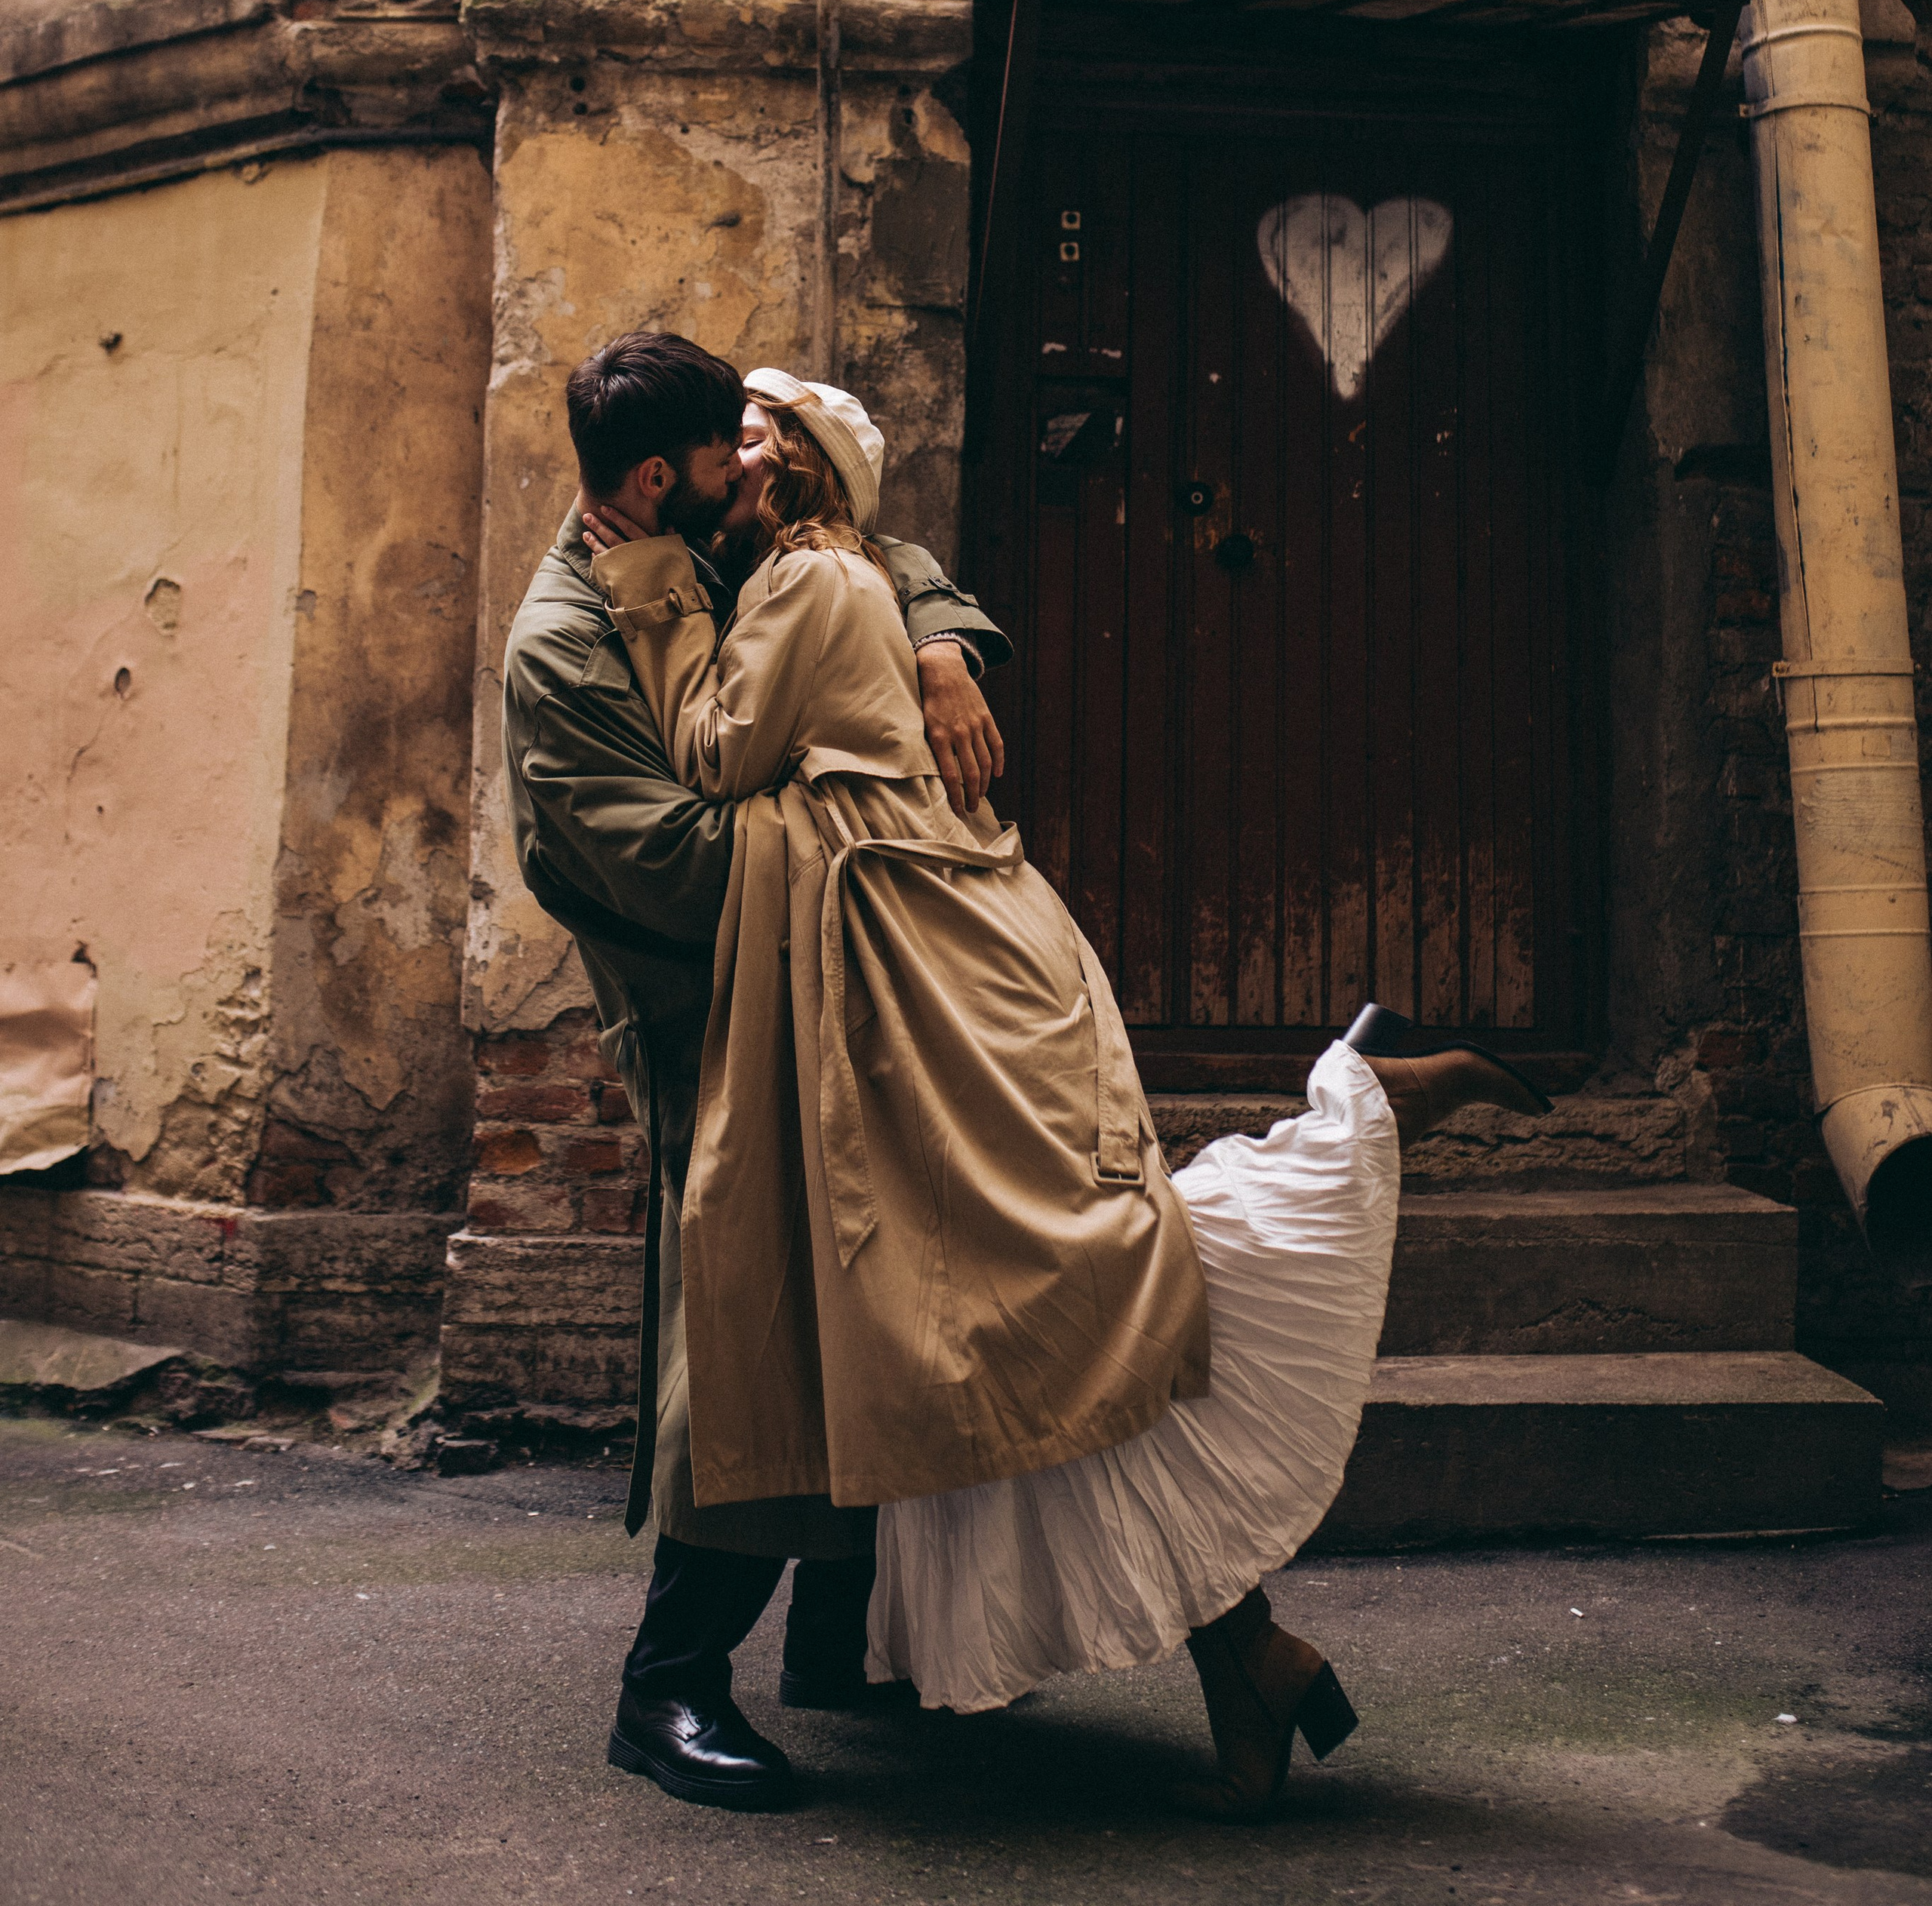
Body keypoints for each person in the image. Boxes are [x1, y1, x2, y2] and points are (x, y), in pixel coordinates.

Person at [587, 366, 1552, 1821]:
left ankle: (1352, 1105)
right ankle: (1250, 1661)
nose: (735, 451)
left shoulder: (799, 582)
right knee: (1026, 1308)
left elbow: (716, 752)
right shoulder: (834, 579)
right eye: (728, 433)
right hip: (940, 946)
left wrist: (650, 589)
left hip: (919, 969)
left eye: (758, 435)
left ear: (794, 475)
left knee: (1055, 1287)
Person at [500, 331, 1012, 1813]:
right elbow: (645, 856)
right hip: (710, 1005)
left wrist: (931, 650)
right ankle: (664, 1691)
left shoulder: (711, 537)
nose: (756, 465)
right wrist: (874, 826)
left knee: (879, 1301)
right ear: (662, 475)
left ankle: (839, 1646)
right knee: (749, 1334)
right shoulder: (565, 637)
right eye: (734, 446)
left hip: (827, 977)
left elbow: (869, 547)